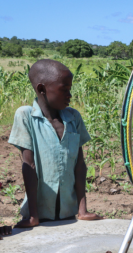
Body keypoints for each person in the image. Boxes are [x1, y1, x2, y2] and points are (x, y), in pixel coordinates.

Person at [8, 59, 103, 227]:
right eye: (64, 89)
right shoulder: (26, 116)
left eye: (70, 89)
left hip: (68, 213)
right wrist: (33, 216)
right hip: (40, 214)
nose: (70, 95)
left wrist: (82, 211)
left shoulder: (73, 117)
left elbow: (79, 165)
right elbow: (29, 165)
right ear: (42, 89)